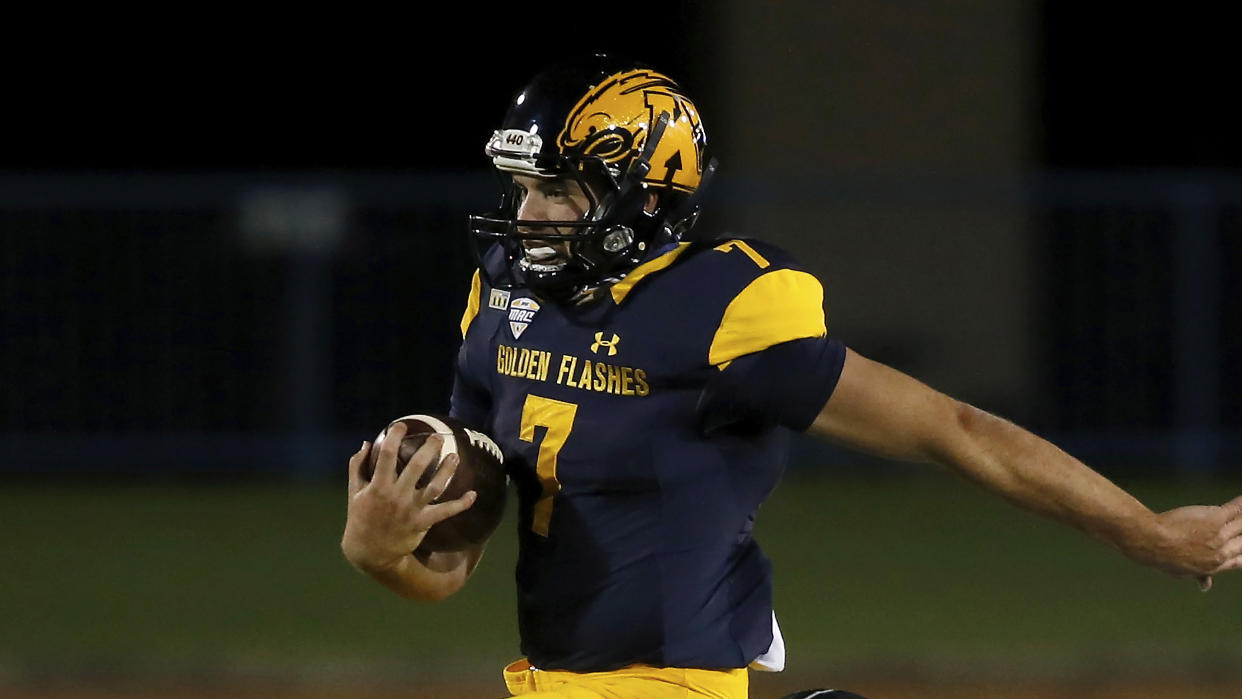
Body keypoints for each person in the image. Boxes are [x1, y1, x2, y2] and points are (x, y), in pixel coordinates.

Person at [340, 53, 1242, 699]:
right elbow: (453, 562)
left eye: (558, 190)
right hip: (549, 682)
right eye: (525, 188)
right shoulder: (501, 299)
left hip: (674, 678)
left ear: (647, 198)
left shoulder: (720, 306)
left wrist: (1144, 530)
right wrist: (379, 554)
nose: (528, 213)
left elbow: (951, 428)